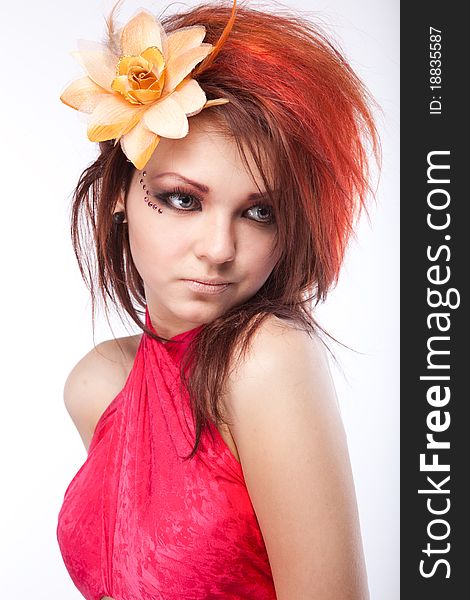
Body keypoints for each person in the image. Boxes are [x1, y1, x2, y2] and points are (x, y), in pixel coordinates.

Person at [56, 0, 379, 598]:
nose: (219, 249)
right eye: (183, 199)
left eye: (260, 212)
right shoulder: (98, 385)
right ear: (122, 190)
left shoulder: (266, 358)